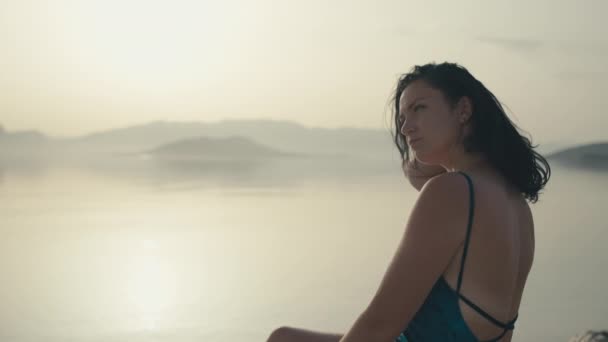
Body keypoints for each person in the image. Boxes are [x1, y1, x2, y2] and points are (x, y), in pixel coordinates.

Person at [265, 62, 551, 342]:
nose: (406, 128)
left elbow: (378, 327)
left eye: (419, 109)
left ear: (463, 110)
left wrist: (436, 182)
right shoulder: (515, 204)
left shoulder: (452, 192)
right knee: (285, 338)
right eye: (402, 117)